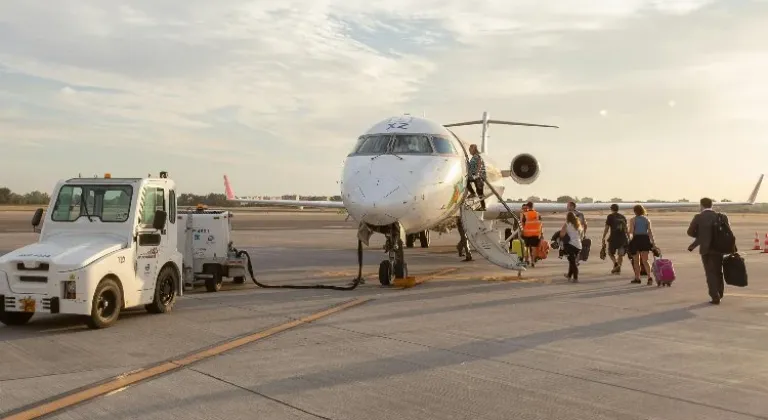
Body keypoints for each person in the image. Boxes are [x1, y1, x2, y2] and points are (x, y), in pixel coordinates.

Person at [686, 197, 727, 304]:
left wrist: (700, 236)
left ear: (701, 205)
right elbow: (726, 231)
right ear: (711, 205)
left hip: (706, 249)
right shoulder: (721, 216)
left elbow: (690, 232)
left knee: (710, 273)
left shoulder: (698, 217)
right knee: (718, 271)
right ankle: (720, 293)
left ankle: (715, 296)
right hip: (719, 249)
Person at [628, 204, 656, 285]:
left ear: (635, 211)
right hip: (645, 239)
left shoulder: (633, 220)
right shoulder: (647, 220)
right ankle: (649, 277)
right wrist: (653, 244)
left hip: (636, 240)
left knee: (636, 261)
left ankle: (637, 278)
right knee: (645, 261)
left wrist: (629, 237)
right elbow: (650, 232)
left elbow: (631, 232)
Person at [601, 204, 629, 274]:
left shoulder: (610, 216)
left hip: (613, 238)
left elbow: (607, 228)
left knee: (610, 253)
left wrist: (603, 237)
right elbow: (626, 229)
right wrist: (628, 237)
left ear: (611, 209)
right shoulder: (622, 217)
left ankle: (616, 264)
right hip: (623, 238)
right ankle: (618, 267)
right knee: (620, 254)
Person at [559, 211, 583, 282]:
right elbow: (581, 235)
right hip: (578, 245)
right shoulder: (578, 224)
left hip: (570, 245)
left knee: (572, 262)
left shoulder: (566, 224)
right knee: (571, 260)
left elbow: (562, 234)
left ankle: (575, 277)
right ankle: (569, 275)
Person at [520, 201, 543, 267]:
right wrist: (541, 234)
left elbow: (522, 224)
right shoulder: (538, 214)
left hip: (526, 233)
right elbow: (541, 224)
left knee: (526, 247)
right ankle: (533, 261)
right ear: (533, 206)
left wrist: (522, 232)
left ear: (527, 206)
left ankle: (526, 260)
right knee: (534, 248)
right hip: (536, 233)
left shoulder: (525, 214)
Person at [465, 144, 486, 211]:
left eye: (470, 149)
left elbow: (479, 164)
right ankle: (473, 193)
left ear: (474, 149)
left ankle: (483, 206)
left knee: (480, 192)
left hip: (478, 177)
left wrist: (477, 173)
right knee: (466, 182)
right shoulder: (473, 157)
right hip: (474, 176)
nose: (469, 151)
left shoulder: (477, 156)